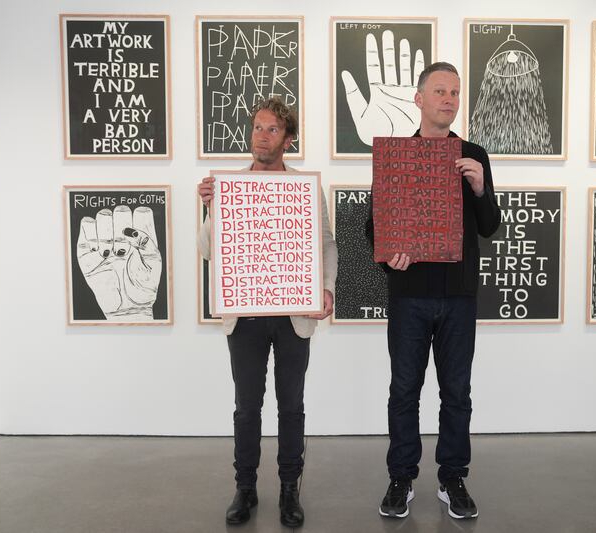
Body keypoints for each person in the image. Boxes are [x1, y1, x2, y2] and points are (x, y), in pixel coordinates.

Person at [365, 62, 501, 520]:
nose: (448, 99)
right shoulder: (398, 156)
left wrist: (480, 187)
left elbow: (490, 227)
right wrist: (389, 259)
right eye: (439, 91)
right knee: (404, 390)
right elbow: (374, 227)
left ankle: (452, 478)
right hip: (409, 294)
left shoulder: (475, 154)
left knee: (457, 391)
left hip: (459, 295)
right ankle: (401, 477)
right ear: (419, 99)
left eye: (455, 92)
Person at [198, 97, 338, 527]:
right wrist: (209, 210)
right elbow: (207, 252)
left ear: (288, 139)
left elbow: (327, 243)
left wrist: (328, 288)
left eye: (272, 129)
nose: (262, 135)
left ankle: (289, 490)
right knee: (246, 406)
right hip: (245, 314)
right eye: (258, 127)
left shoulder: (304, 187)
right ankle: (245, 488)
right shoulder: (228, 186)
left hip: (294, 312)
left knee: (291, 405)